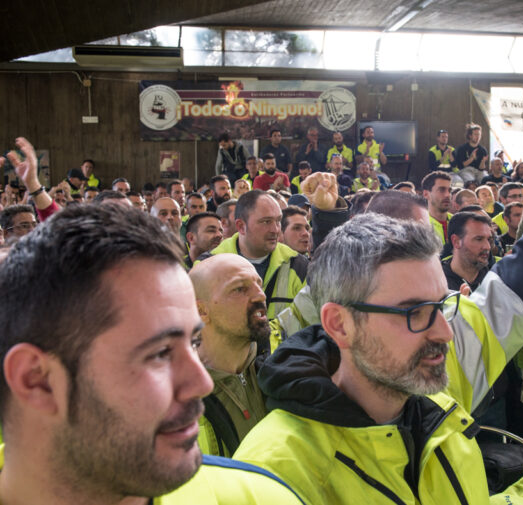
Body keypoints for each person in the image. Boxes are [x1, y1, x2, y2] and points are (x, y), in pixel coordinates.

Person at [233, 88, 523, 504]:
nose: (445, 331)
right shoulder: (276, 470)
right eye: (414, 312)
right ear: (339, 324)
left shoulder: (435, 369)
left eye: (440, 304)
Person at [0, 203, 304, 505]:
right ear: (36, 380)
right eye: (159, 353)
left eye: (194, 342)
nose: (203, 384)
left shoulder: (258, 496)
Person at [189, 254, 271, 457]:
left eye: (258, 284)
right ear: (201, 311)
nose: (260, 295)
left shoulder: (284, 363)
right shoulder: (182, 396)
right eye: (240, 289)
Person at [206, 190, 308, 320]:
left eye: (278, 221)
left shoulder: (299, 266)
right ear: (241, 226)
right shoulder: (208, 266)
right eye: (266, 222)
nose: (275, 229)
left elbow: (309, 325)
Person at [442, 211, 495, 291]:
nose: (487, 247)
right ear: (456, 241)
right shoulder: (438, 284)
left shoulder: (495, 280)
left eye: (489, 240)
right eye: (479, 239)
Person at [421, 170, 453, 244]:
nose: (447, 195)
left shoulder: (459, 222)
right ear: (426, 194)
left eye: (449, 190)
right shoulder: (420, 227)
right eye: (441, 190)